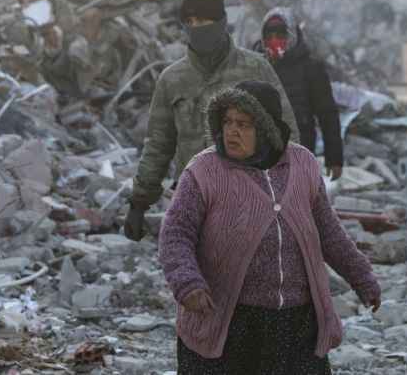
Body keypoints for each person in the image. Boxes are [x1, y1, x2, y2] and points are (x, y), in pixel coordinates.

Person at [159, 80, 381, 374]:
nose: (231, 131)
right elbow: (175, 234)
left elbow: (329, 232)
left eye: (244, 124)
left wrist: (363, 278)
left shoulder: (303, 164)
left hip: (296, 325)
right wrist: (187, 283)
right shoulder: (204, 170)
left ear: (267, 129)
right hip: (228, 322)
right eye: (227, 121)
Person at [123, 0, 298, 241]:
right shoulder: (172, 79)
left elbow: (286, 134)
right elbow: (158, 145)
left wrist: (294, 193)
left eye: (203, 20)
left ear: (221, 21)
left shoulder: (255, 68)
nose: (196, 28)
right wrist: (139, 203)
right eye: (190, 21)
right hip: (192, 200)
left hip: (248, 199)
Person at [253, 7, 344, 180]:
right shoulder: (255, 66)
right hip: (260, 157)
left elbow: (328, 115)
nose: (274, 42)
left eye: (280, 37)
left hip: (299, 153)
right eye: (269, 37)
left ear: (291, 36)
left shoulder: (310, 69)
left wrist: (334, 159)